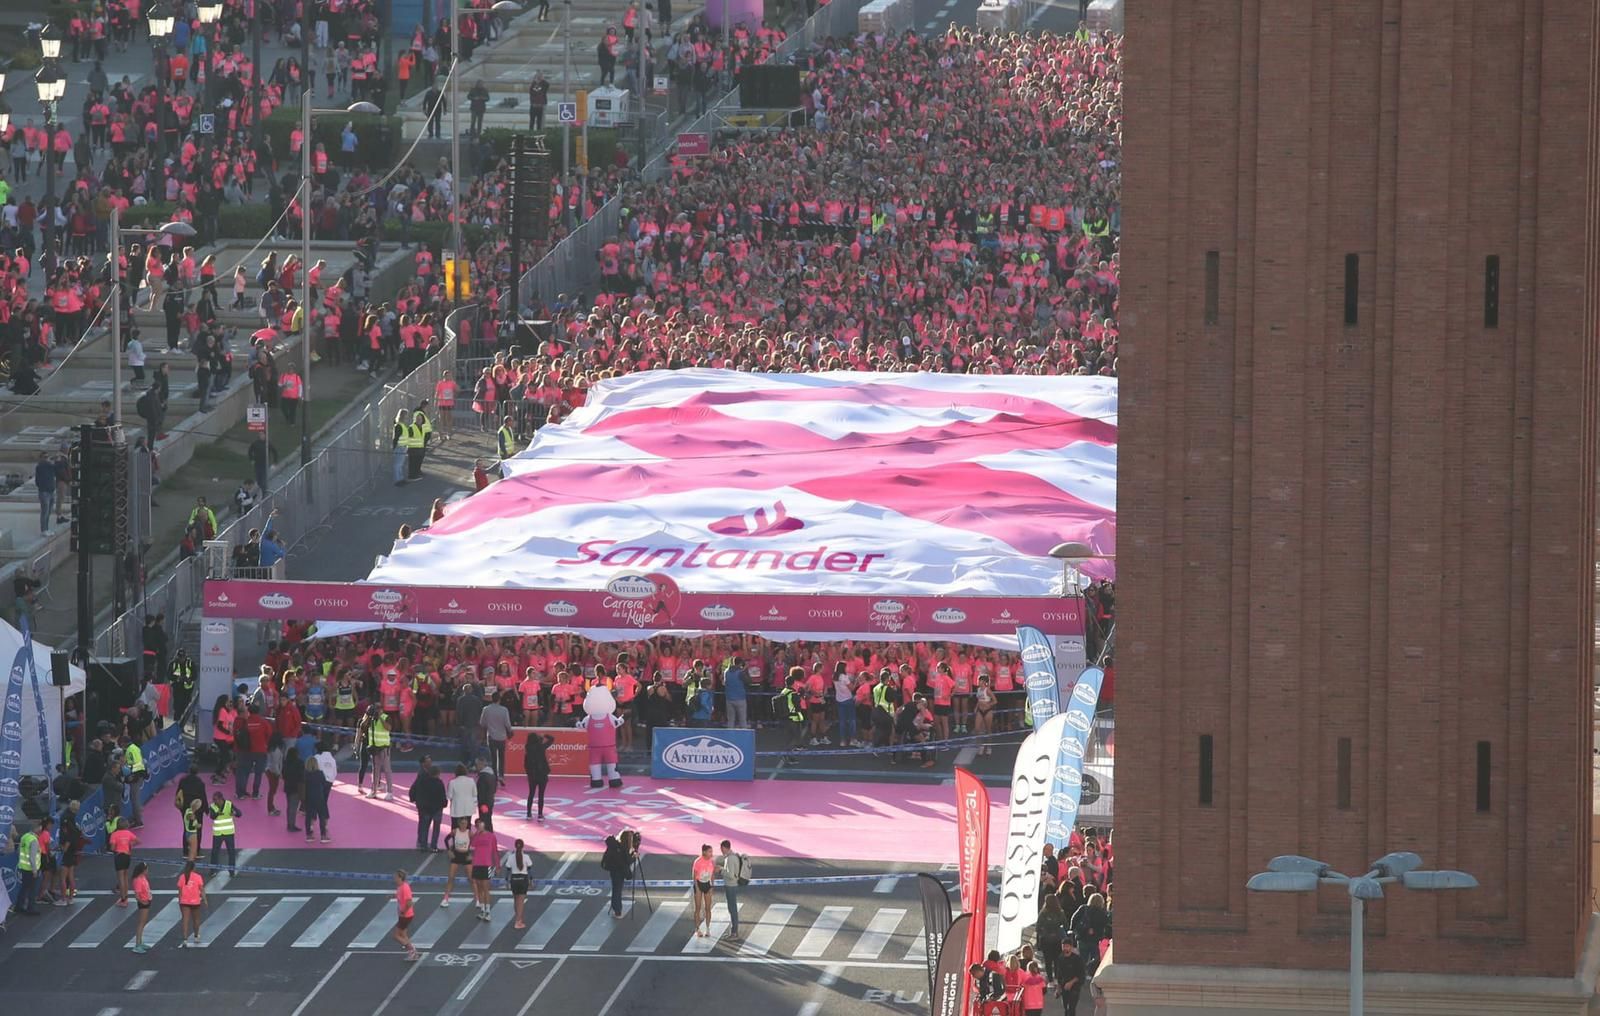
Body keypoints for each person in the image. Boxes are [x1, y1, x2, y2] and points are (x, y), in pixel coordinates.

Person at [410, 757, 447, 851]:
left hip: (425, 808)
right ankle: (433, 845)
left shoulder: (422, 780)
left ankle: (423, 844)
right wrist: (444, 804)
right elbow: (442, 796)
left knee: (424, 826)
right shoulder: (439, 783)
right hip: (437, 809)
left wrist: (414, 799)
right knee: (436, 828)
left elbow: (414, 789)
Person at [601, 828, 636, 919]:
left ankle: (615, 908)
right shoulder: (623, 848)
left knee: (615, 890)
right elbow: (628, 861)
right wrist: (634, 856)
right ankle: (617, 911)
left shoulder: (615, 846)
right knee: (617, 891)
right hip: (619, 872)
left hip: (613, 871)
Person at [719, 839, 749, 942]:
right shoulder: (733, 856)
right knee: (732, 909)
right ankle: (733, 931)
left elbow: (731, 875)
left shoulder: (730, 859)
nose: (721, 850)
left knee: (732, 909)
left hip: (730, 886)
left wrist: (720, 870)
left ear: (724, 848)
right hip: (733, 885)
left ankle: (734, 933)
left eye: (721, 848)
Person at [469, 817, 498, 921]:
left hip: (486, 864)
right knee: (479, 888)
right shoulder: (476, 836)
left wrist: (497, 865)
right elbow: (472, 844)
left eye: (480, 823)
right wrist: (477, 833)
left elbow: (495, 851)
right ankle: (482, 910)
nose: (479, 826)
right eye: (477, 824)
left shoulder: (491, 836)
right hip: (477, 864)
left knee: (486, 888)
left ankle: (488, 911)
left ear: (484, 824)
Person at [480, 690, 512, 782]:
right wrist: (510, 731)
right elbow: (507, 724)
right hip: (502, 737)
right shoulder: (504, 710)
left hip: (491, 736)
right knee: (501, 757)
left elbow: (482, 723)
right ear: (499, 699)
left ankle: (494, 776)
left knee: (493, 758)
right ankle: (501, 775)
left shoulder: (486, 709)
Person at [441, 818, 473, 908]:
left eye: (465, 823)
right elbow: (446, 839)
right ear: (459, 824)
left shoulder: (470, 833)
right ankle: (445, 899)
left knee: (471, 878)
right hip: (456, 855)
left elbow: (477, 843)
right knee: (451, 877)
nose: (464, 825)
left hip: (465, 855)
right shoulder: (455, 831)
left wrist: (472, 855)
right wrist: (449, 851)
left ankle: (478, 900)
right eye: (462, 823)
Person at [503, 837, 534, 929]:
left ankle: (518, 917)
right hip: (523, 879)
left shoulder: (511, 857)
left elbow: (508, 870)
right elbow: (529, 870)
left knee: (516, 900)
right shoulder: (526, 857)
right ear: (523, 846)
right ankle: (518, 921)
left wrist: (506, 881)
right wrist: (531, 881)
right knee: (521, 901)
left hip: (514, 879)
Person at [209, 790, 241, 876]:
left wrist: (234, 813)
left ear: (221, 799)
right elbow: (212, 816)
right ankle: (213, 871)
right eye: (213, 799)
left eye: (215, 799)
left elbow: (239, 813)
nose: (214, 801)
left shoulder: (229, 804)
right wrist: (217, 813)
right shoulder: (212, 806)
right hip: (218, 833)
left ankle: (232, 871)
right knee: (215, 852)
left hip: (229, 833)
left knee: (231, 852)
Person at [14, 819, 42, 915]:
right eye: (40, 827)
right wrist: (35, 870)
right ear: (37, 828)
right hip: (31, 869)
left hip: (23, 867)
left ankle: (18, 906)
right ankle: (31, 908)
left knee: (24, 888)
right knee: (32, 890)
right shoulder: (34, 840)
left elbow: (19, 851)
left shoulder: (24, 837)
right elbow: (32, 857)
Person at [177, 859, 207, 947]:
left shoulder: (182, 877)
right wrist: (205, 899)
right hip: (195, 901)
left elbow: (180, 891)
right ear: (193, 868)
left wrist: (180, 900)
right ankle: (196, 936)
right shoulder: (198, 877)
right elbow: (201, 889)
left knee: (185, 920)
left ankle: (185, 939)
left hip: (184, 901)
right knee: (196, 919)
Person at [393, 869, 421, 961]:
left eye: (395, 877)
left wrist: (403, 912)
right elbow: (399, 895)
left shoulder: (405, 887)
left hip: (405, 916)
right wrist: (392, 896)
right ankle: (413, 952)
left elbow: (409, 903)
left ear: (400, 877)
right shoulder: (401, 886)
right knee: (403, 934)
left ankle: (412, 950)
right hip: (403, 915)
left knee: (396, 936)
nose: (394, 878)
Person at [109, 818, 138, 906]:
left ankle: (123, 899)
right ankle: (125, 897)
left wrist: (115, 847)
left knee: (121, 878)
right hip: (127, 856)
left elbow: (112, 848)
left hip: (119, 857)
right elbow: (138, 841)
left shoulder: (114, 834)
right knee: (125, 877)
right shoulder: (128, 833)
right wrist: (130, 845)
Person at [691, 842, 716, 938]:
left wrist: (712, 886)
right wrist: (697, 888)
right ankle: (697, 929)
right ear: (704, 852)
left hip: (707, 885)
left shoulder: (712, 862)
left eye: (711, 851)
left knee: (708, 908)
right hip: (699, 884)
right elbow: (694, 875)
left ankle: (708, 928)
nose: (711, 853)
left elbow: (712, 874)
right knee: (698, 908)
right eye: (710, 852)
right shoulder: (698, 861)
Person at [524, 730, 551, 820]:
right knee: (541, 795)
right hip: (542, 775)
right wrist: (544, 735)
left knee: (531, 794)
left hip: (532, 776)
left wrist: (529, 774)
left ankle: (528, 814)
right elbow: (552, 739)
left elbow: (526, 764)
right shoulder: (541, 747)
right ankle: (540, 814)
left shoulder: (528, 749)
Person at [1056, 939, 1086, 1015]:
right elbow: (1059, 974)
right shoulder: (1060, 958)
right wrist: (1058, 988)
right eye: (1063, 946)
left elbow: (1081, 974)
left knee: (1071, 1008)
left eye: (1067, 946)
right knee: (1066, 1008)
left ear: (1071, 947)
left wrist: (1071, 982)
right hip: (1064, 986)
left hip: (1075, 987)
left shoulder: (1077, 959)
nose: (1065, 948)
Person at [130, 862, 153, 953]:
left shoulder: (143, 877)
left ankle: (140, 942)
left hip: (147, 901)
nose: (148, 871)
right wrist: (143, 902)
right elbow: (137, 895)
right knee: (141, 923)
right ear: (143, 870)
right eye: (146, 869)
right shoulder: (138, 880)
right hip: (143, 903)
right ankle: (137, 944)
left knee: (143, 922)